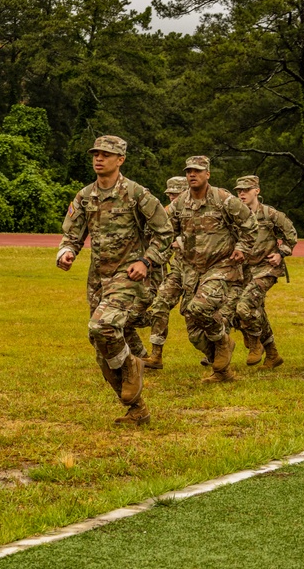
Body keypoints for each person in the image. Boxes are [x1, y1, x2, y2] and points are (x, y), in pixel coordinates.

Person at [57, 136, 173, 425]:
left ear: (120, 160)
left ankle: (134, 362)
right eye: (96, 154)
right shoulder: (85, 196)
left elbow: (165, 233)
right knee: (99, 342)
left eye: (106, 155)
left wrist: (146, 261)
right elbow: (73, 234)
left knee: (103, 325)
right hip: (99, 278)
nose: (99, 159)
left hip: (131, 275)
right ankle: (138, 409)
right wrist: (67, 251)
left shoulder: (136, 194)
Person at [168, 156, 258, 383]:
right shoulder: (179, 203)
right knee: (195, 334)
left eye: (197, 171)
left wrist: (242, 247)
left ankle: (222, 341)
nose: (192, 175)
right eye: (189, 171)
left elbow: (250, 224)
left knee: (199, 309)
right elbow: (165, 227)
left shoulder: (223, 199)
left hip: (221, 267)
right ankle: (222, 372)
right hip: (192, 271)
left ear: (207, 174)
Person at [233, 175, 297, 368]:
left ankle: (255, 343)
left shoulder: (270, 214)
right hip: (243, 270)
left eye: (246, 190)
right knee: (254, 310)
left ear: (257, 191)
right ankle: (272, 354)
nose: (242, 194)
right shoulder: (236, 215)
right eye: (239, 191)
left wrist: (281, 253)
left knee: (244, 306)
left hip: (266, 268)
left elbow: (291, 236)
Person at [143, 176, 188, 368]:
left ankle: (216, 353)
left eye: (175, 194)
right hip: (179, 269)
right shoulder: (167, 213)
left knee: (196, 313)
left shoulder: (206, 210)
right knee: (160, 304)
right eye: (169, 194)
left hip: (206, 271)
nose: (171, 197)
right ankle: (156, 355)